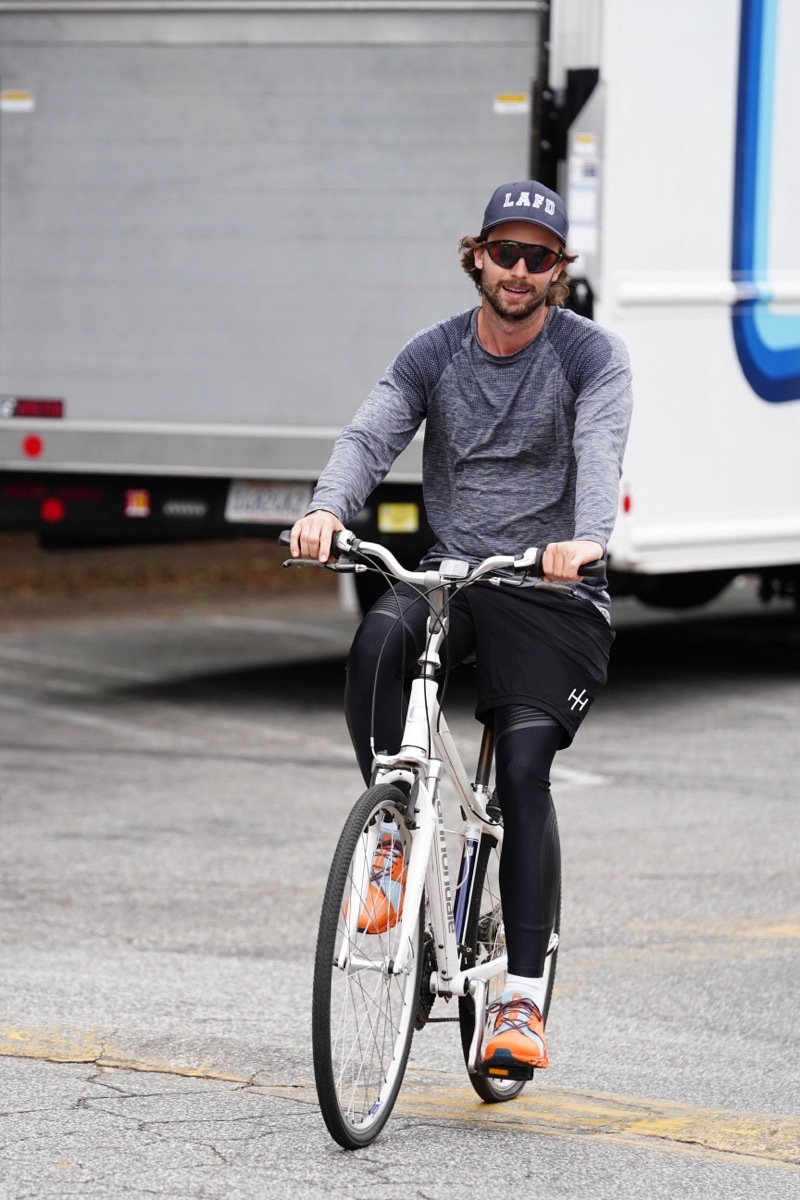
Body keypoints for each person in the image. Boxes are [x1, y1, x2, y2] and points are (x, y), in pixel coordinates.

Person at [290, 179, 633, 1074]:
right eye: (505, 252)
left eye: (539, 257)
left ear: (559, 272)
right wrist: (328, 509)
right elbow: (372, 435)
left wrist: (585, 541)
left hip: (552, 590)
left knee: (522, 769)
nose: (519, 271)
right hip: (456, 576)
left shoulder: (592, 358)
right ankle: (396, 838)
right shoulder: (434, 352)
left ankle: (519, 1000)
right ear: (476, 254)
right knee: (376, 642)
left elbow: (600, 447)